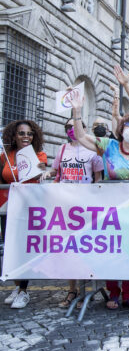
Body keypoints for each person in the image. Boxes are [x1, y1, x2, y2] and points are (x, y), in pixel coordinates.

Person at [71, 89, 129, 310]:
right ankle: (113, 293)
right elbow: (81, 137)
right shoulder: (109, 146)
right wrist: (77, 112)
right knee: (111, 252)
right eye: (128, 126)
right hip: (108, 210)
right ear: (121, 129)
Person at [41, 118, 103, 308]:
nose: (71, 129)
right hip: (64, 204)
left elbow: (98, 178)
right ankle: (72, 289)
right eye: (67, 127)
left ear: (83, 128)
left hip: (84, 206)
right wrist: (46, 174)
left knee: (84, 246)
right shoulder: (61, 149)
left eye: (74, 126)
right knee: (67, 248)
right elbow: (55, 170)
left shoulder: (93, 150)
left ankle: (87, 288)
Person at [1, 120, 47, 309]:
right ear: (14, 136)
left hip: (28, 208)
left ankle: (23, 291)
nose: (26, 137)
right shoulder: (5, 156)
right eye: (21, 133)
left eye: (29, 133)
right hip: (7, 208)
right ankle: (17, 285)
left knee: (24, 249)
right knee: (10, 249)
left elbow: (39, 171)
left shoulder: (39, 155)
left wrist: (44, 172)